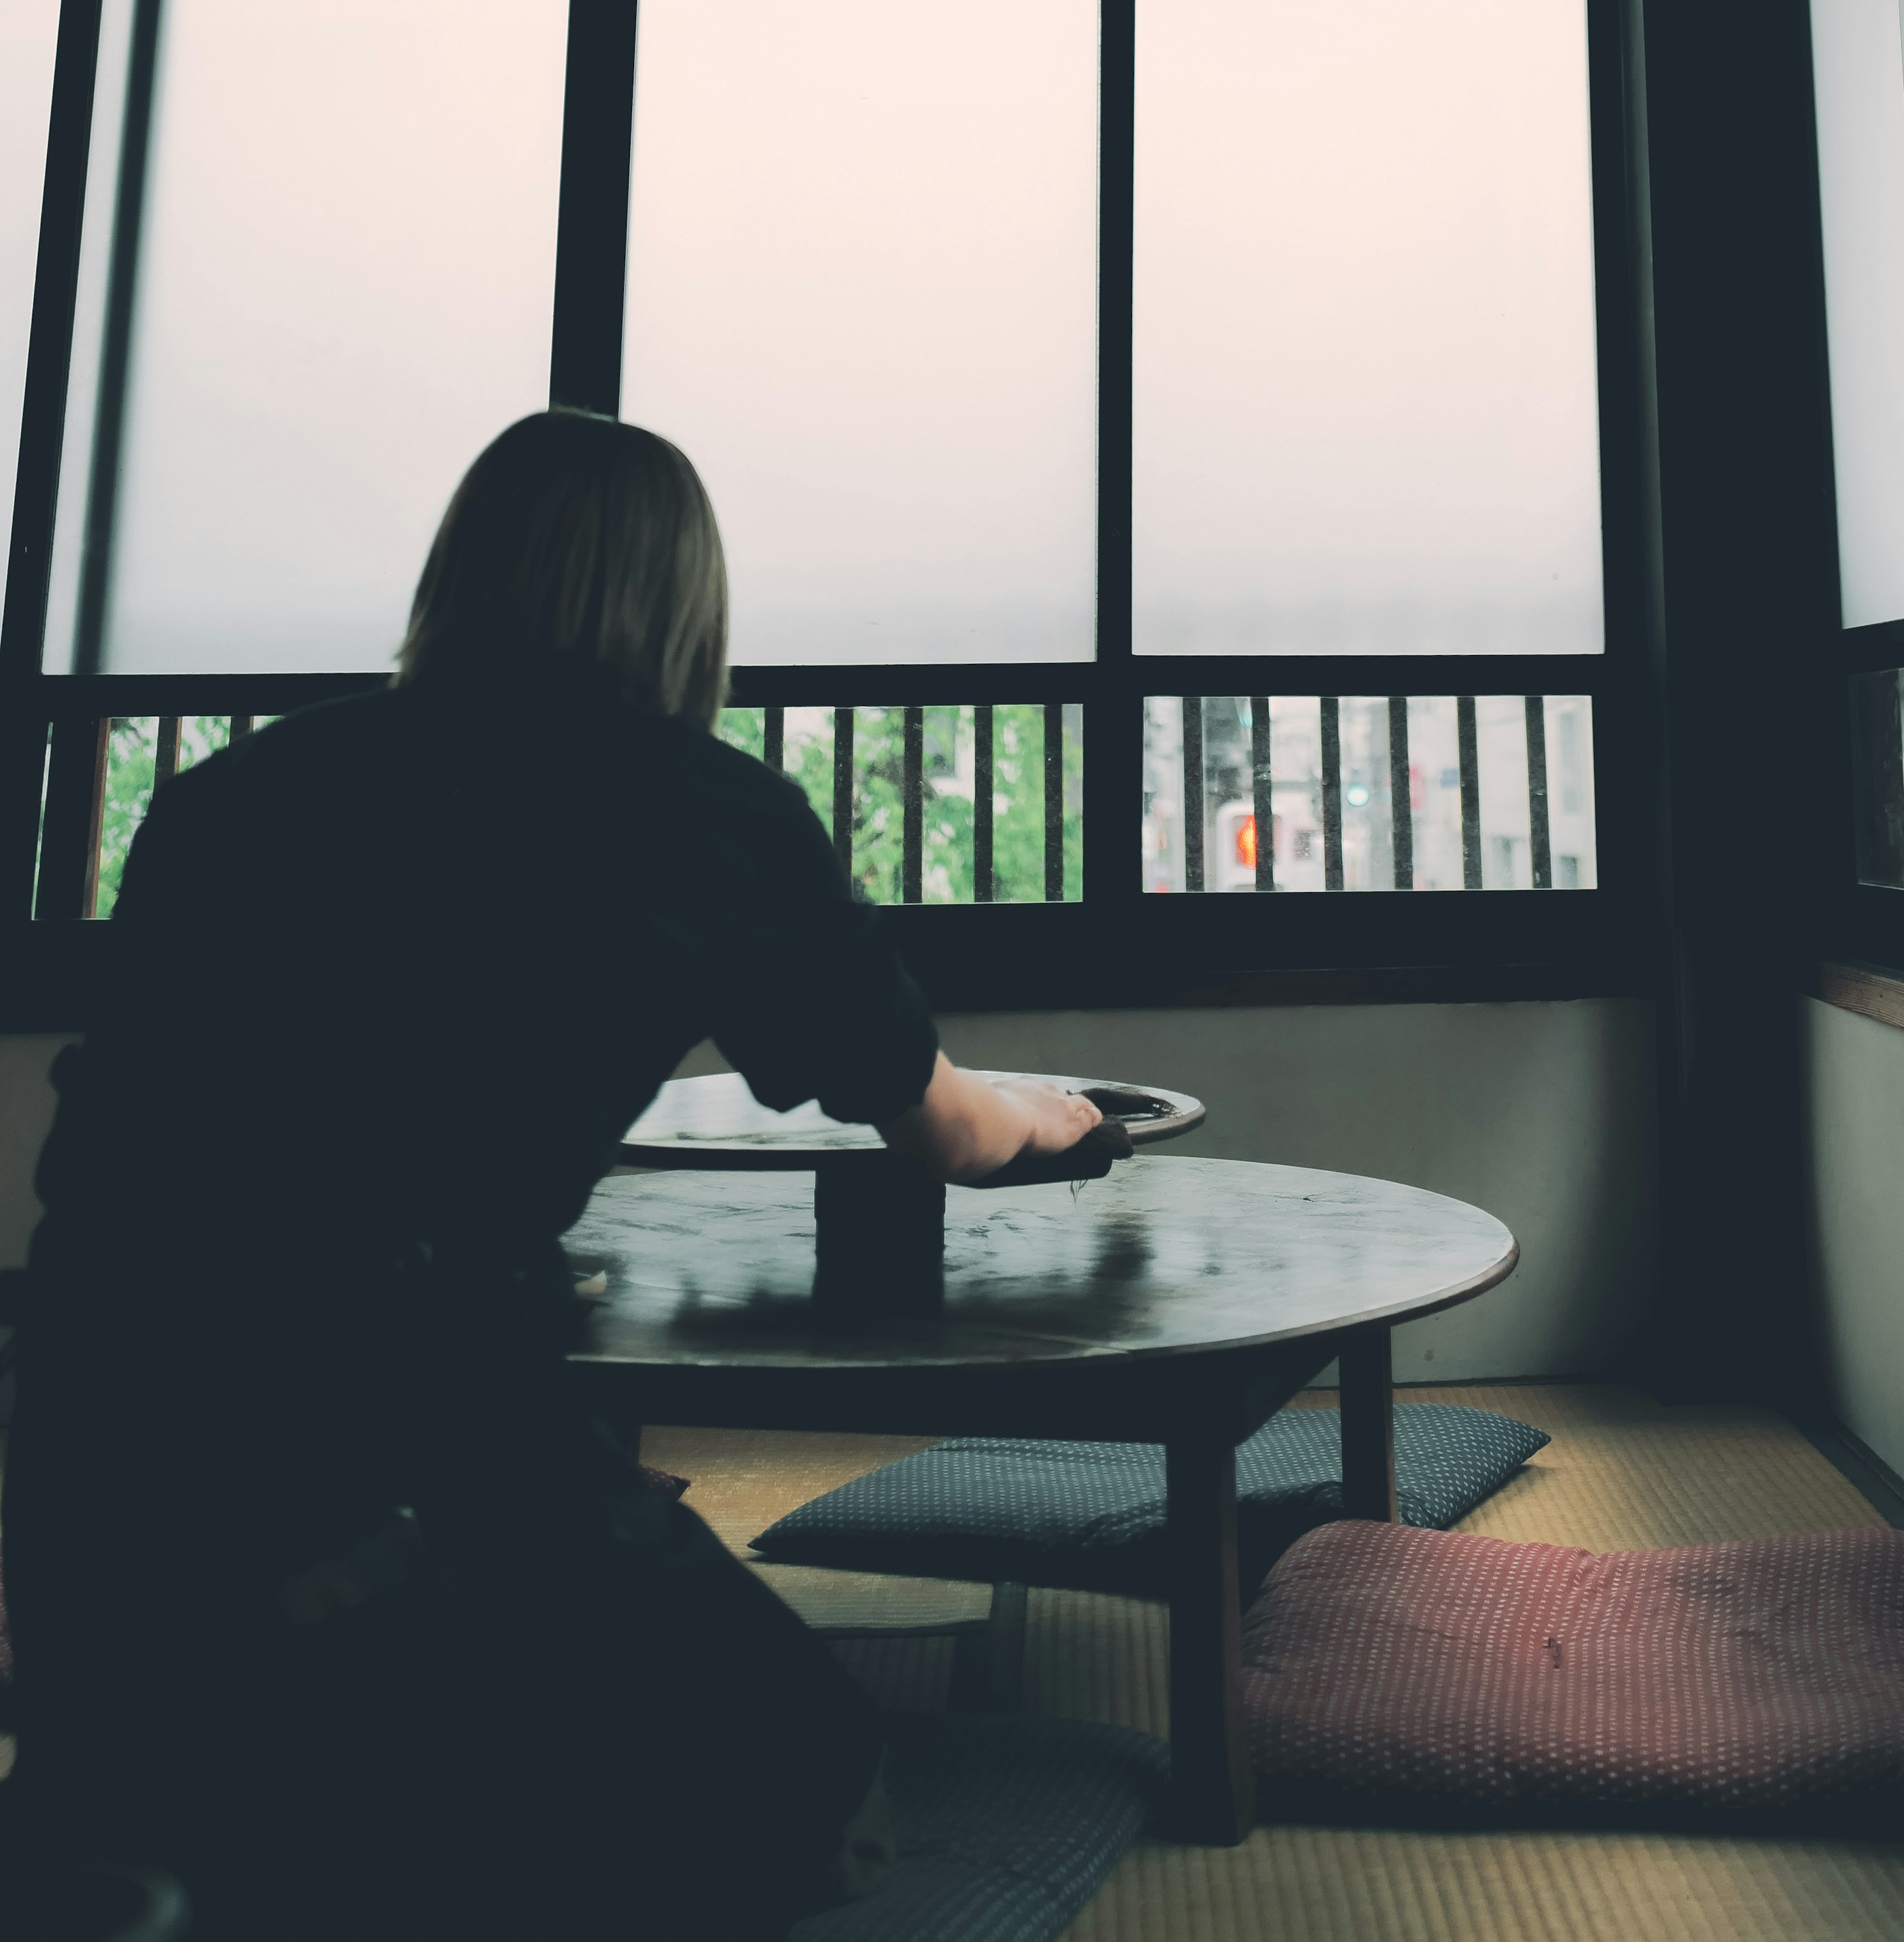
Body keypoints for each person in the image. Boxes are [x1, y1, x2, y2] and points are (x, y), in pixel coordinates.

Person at [1, 408, 1109, 1941]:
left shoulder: (231, 794)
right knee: (820, 1800)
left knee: (177, 1805)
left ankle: (241, 1735)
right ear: (684, 604)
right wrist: (1048, 1116)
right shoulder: (707, 813)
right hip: (391, 1416)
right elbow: (936, 1120)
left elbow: (122, 1146)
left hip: (87, 1421)